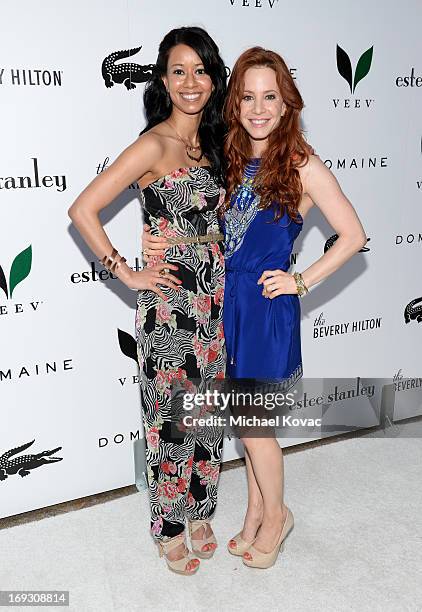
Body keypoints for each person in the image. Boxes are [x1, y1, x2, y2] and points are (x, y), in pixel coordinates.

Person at [141, 46, 367, 569]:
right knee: (243, 427)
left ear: (287, 104)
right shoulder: (228, 154)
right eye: (248, 96)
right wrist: (155, 241)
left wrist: (301, 281)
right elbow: (182, 204)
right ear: (234, 103)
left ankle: (277, 517)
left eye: (271, 97)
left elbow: (353, 234)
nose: (259, 108)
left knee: (254, 428)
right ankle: (252, 517)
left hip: (264, 312)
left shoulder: (303, 163)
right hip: (221, 304)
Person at [68, 26, 228, 575]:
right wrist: (127, 272)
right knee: (169, 421)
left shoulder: (216, 142)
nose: (191, 82)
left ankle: (201, 508)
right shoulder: (154, 144)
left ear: (213, 80)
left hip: (216, 303)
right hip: (170, 309)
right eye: (179, 71)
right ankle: (168, 526)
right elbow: (83, 209)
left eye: (201, 70)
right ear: (162, 79)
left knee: (208, 416)